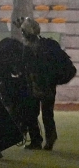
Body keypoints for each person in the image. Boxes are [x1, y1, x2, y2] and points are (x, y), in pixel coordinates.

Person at [20, 18, 63, 150]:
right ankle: (46, 138)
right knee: (44, 113)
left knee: (36, 114)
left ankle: (38, 140)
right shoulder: (45, 45)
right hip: (45, 84)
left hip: (38, 84)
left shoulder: (30, 48)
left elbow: (26, 66)